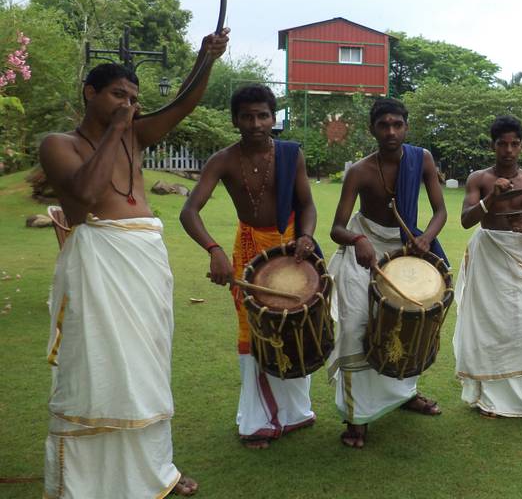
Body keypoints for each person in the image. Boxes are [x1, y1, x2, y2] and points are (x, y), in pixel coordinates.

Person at [38, 30, 229, 498]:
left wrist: (205, 59)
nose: (129, 104)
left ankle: (155, 468)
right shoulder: (59, 144)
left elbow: (182, 105)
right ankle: (84, 479)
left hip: (145, 260)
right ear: (91, 94)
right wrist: (119, 130)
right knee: (98, 366)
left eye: (134, 97)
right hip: (99, 261)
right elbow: (82, 197)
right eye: (118, 94)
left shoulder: (136, 137)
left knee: (147, 365)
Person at [179, 84, 319, 449]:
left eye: (263, 115)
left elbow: (307, 204)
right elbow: (189, 211)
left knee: (295, 327)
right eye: (247, 116)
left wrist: (306, 236)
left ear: (274, 119)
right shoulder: (223, 160)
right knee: (254, 330)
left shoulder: (291, 154)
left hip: (292, 250)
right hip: (248, 252)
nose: (256, 123)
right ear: (235, 120)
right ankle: (257, 422)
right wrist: (213, 249)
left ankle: (295, 413)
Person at [327, 97, 447, 448]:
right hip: (363, 252)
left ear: (406, 127)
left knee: (406, 325)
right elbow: (337, 227)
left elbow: (440, 211)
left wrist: (425, 238)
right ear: (372, 129)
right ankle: (355, 415)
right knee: (355, 327)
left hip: (407, 249)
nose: (391, 131)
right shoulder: (360, 171)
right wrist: (357, 238)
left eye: (397, 124)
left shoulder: (421, 159)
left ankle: (404, 394)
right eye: (384, 125)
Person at [453, 116, 522, 426]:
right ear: (494, 146)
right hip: (488, 254)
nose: (509, 150)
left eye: (514, 144)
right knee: (489, 326)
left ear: (521, 146)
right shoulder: (479, 178)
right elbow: (465, 220)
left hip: (521, 254)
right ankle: (490, 397)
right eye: (502, 144)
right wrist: (492, 199)